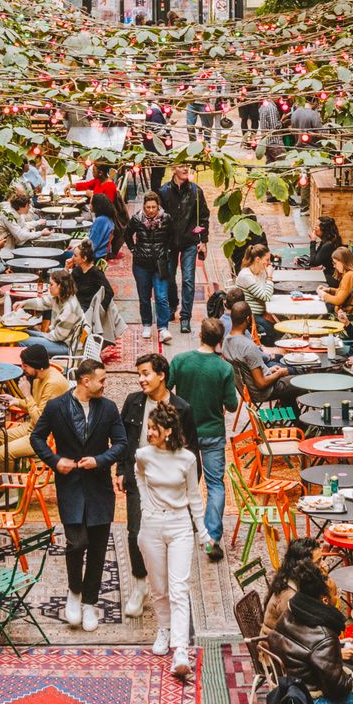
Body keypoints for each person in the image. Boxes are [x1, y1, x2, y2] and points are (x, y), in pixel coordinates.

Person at [30, 357, 128, 631]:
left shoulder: (108, 408)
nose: (105, 383)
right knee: (76, 543)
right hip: (70, 485)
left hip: (99, 487)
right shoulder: (56, 407)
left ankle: (90, 603)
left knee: (98, 548)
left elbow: (121, 443)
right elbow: (36, 437)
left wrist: (101, 459)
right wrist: (54, 459)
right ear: (86, 381)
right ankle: (74, 592)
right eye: (102, 379)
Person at [132, 401, 203, 677]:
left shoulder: (187, 459)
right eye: (148, 427)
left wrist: (204, 532)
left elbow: (194, 498)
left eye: (154, 428)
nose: (149, 432)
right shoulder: (143, 455)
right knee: (159, 586)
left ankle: (181, 650)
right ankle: (164, 628)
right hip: (151, 524)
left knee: (179, 588)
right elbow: (138, 477)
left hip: (179, 524)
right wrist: (144, 506)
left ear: (169, 431)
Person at [119, 353, 195, 607]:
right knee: (134, 533)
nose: (141, 379)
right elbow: (123, 440)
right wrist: (121, 470)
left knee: (166, 536)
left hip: (171, 484)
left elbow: (193, 451)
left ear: (161, 375)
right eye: (139, 374)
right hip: (139, 478)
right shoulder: (132, 403)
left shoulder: (182, 409)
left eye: (146, 373)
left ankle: (165, 585)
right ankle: (140, 585)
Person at [263, 537, 353, 704]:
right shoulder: (291, 600)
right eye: (318, 561)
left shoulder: (298, 589)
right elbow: (304, 642)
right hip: (288, 669)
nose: (323, 565)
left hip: (297, 661)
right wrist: (337, 652)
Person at [165, 319, 241, 562]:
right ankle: (212, 538)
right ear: (220, 341)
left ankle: (182, 527)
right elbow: (232, 404)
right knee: (215, 484)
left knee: (183, 481)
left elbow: (166, 390)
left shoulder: (180, 361)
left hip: (184, 432)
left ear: (199, 335)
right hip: (212, 432)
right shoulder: (224, 369)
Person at [156, 162, 209, 328]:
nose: (186, 168)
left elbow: (204, 218)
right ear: (173, 169)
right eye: (181, 166)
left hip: (189, 242)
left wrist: (204, 241)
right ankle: (173, 306)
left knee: (188, 279)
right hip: (169, 242)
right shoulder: (164, 191)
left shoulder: (195, 191)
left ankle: (185, 316)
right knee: (169, 277)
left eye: (187, 165)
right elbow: (159, 218)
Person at [0, 341, 70, 464]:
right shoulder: (38, 377)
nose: (22, 368)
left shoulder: (53, 384)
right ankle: (10, 472)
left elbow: (40, 419)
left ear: (36, 365)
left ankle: (7, 479)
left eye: (25, 365)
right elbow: (35, 407)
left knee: (3, 453)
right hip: (33, 427)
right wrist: (15, 401)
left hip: (46, 435)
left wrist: (27, 394)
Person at [128, 192, 181, 344]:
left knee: (161, 296)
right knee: (144, 297)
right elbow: (127, 234)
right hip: (141, 264)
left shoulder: (166, 219)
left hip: (160, 264)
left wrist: (168, 251)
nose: (151, 210)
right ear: (144, 207)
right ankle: (146, 324)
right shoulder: (137, 219)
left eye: (153, 207)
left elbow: (173, 236)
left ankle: (163, 327)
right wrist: (133, 249)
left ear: (158, 207)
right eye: (148, 207)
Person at [214, 313, 291, 403]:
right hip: (262, 393)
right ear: (247, 318)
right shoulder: (248, 346)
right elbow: (261, 383)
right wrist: (279, 373)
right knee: (296, 381)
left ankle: (286, 414)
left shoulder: (226, 341)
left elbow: (249, 371)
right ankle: (291, 415)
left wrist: (270, 370)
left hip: (247, 390)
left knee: (290, 385)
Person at [33, 267, 98, 361]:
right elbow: (42, 302)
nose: (49, 287)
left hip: (66, 347)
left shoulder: (69, 307)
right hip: (61, 340)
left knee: (22, 341)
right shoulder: (60, 297)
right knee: (25, 333)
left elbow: (57, 336)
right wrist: (23, 304)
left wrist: (42, 335)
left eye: (51, 284)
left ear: (60, 286)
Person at [232, 241, 279, 343]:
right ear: (258, 259)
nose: (269, 263)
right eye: (267, 260)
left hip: (262, 312)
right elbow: (266, 296)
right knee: (273, 332)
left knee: (282, 324)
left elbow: (266, 291)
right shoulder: (246, 276)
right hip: (250, 315)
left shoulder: (261, 272)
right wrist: (270, 276)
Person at [66, 238, 114, 339]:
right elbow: (66, 287)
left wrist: (100, 310)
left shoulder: (96, 273)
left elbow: (110, 292)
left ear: (84, 258)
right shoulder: (77, 271)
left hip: (88, 308)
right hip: (77, 305)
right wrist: (66, 268)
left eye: (75, 255)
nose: (72, 257)